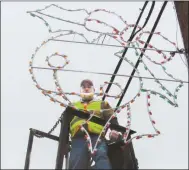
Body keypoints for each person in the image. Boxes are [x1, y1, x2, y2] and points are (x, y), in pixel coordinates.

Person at [69, 79, 121, 169]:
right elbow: (66, 122)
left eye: (89, 87)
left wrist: (114, 130)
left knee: (101, 155)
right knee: (77, 163)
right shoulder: (73, 106)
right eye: (84, 87)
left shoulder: (101, 104)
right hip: (78, 138)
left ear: (93, 90)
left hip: (96, 137)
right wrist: (65, 141)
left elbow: (111, 117)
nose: (86, 89)